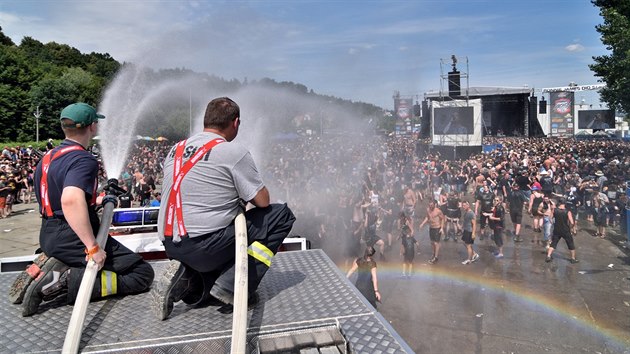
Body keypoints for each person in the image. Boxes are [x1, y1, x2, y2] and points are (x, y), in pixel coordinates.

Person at [154, 97, 295, 320]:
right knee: (281, 215)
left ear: (206, 121)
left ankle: (188, 280)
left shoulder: (175, 150)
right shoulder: (232, 151)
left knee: (210, 282)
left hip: (171, 244)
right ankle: (235, 286)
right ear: (235, 123)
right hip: (204, 245)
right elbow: (263, 201)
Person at [13, 102, 155, 316]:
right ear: (92, 127)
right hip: (73, 237)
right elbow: (70, 200)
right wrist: (93, 248)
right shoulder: (82, 158)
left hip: (48, 234)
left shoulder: (47, 158)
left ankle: (52, 264)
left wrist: (96, 200)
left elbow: (58, 197)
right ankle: (64, 280)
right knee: (141, 274)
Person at [546, 199, 579, 263]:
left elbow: (550, 218)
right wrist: (571, 228)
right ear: (564, 204)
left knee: (553, 243)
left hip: (557, 229)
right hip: (565, 230)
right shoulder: (567, 211)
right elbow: (572, 222)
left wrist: (554, 224)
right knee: (570, 244)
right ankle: (573, 258)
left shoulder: (554, 210)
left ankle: (548, 256)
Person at [418, 199, 445, 264]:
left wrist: (442, 228)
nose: (431, 207)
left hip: (437, 227)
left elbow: (443, 219)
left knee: (436, 243)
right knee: (432, 242)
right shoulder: (428, 210)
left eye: (432, 205)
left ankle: (436, 257)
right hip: (431, 227)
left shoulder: (438, 211)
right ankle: (433, 253)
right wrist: (422, 224)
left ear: (434, 205)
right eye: (430, 205)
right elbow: (427, 217)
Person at [460, 200, 480, 264]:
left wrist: (473, 233)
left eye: (465, 205)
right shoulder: (466, 212)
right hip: (466, 230)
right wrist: (461, 227)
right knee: (465, 243)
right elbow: (465, 221)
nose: (463, 207)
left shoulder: (471, 213)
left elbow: (474, 224)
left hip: (470, 231)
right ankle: (474, 254)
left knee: (468, 245)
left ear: (468, 205)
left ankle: (469, 259)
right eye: (463, 205)